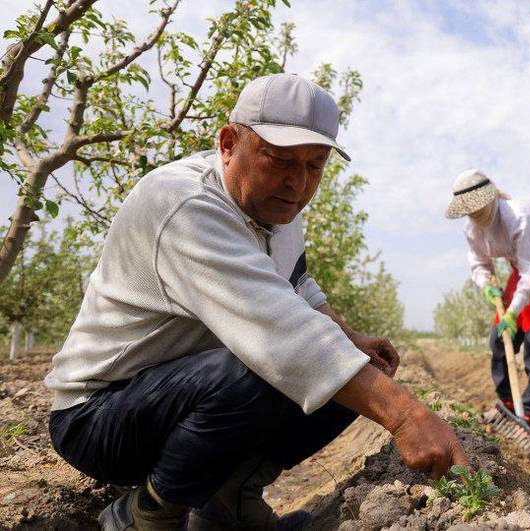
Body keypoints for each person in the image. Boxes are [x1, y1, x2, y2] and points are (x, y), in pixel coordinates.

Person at [44, 73, 468, 531]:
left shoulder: (277, 209)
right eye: (280, 160)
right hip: (99, 415)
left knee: (348, 363)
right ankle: (145, 515)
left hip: (182, 397)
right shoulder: (184, 205)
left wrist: (351, 338)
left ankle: (229, 500)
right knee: (273, 365)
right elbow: (282, 333)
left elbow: (296, 289)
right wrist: (406, 416)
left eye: (315, 166)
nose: (298, 183)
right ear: (229, 144)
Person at [446, 169, 530, 430]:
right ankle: (507, 403)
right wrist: (487, 286)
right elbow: (479, 263)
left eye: (479, 206)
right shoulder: (472, 229)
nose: (475, 213)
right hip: (521, 268)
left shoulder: (519, 216)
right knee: (498, 338)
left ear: (491, 197)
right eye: (470, 209)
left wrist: (514, 311)